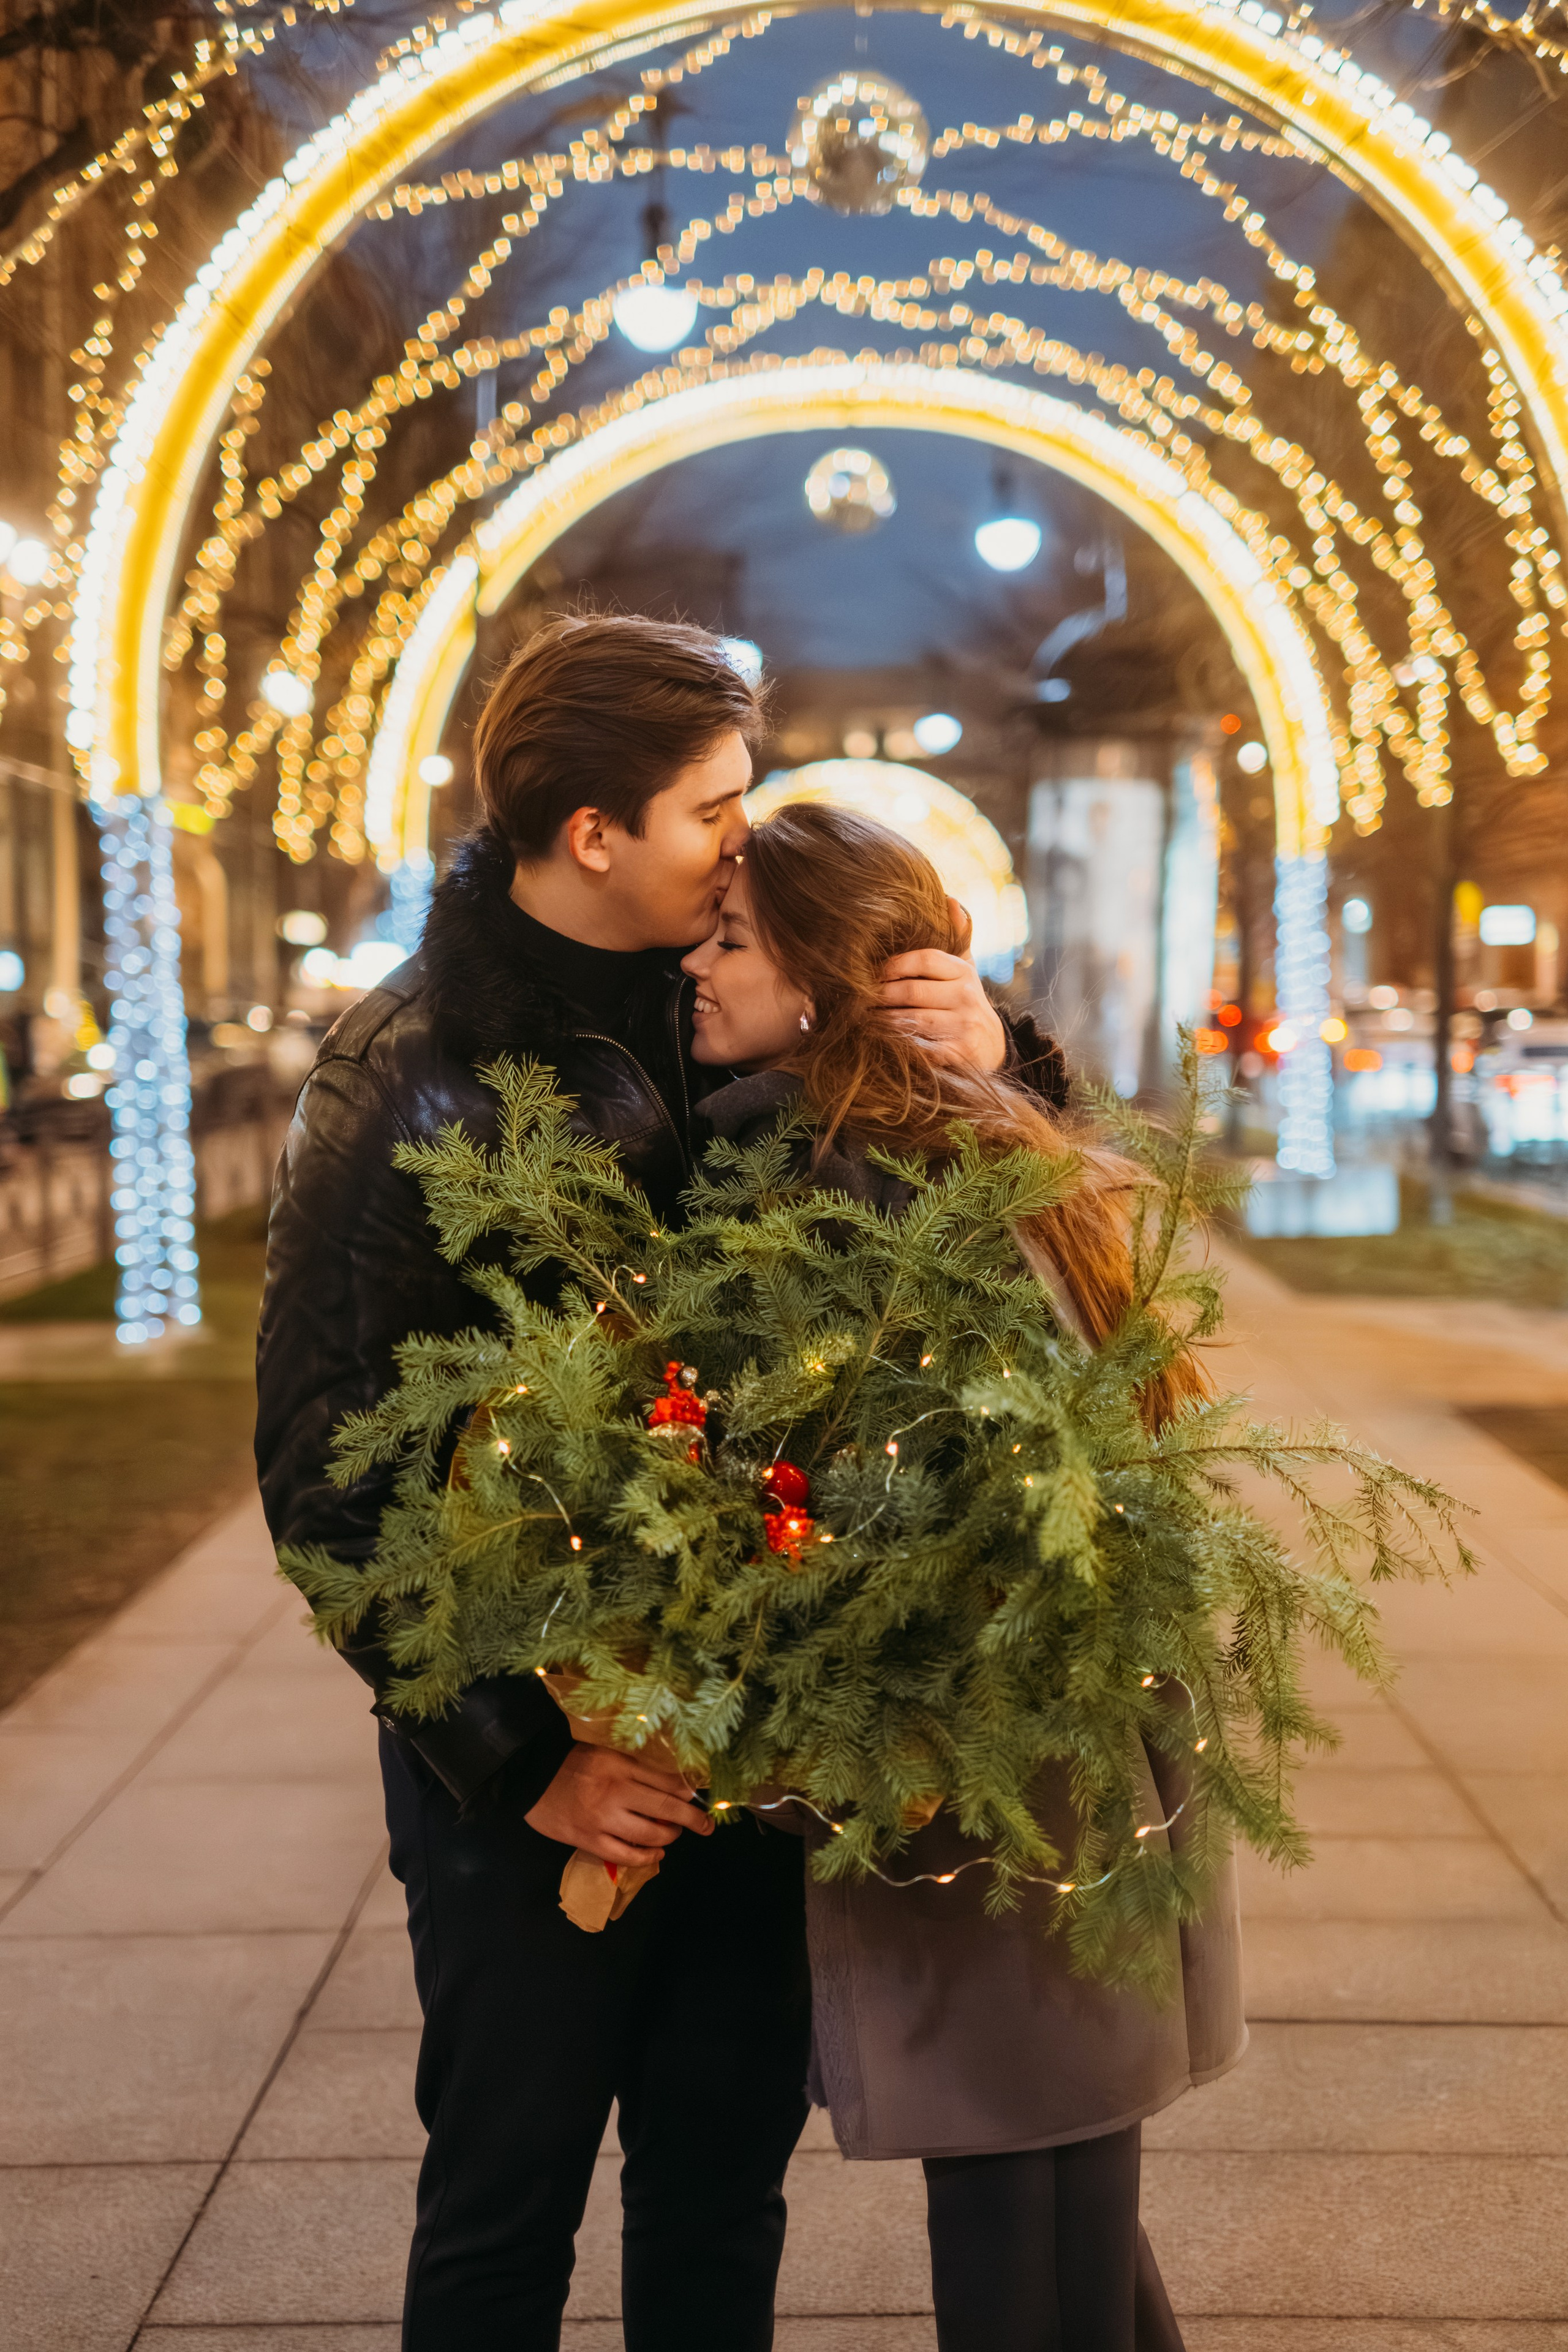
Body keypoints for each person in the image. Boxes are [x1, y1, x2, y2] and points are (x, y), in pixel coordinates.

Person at [255, 614, 1069, 2352]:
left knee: (720, 2191)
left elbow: (975, 1273)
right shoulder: (404, 1078)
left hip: (753, 1756)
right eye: (716, 803)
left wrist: (1000, 1066)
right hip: (539, 1778)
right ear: (595, 835)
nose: (743, 835)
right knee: (504, 2199)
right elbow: (322, 1476)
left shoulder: (755, 991)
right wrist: (526, 1761)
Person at [680, 799, 1248, 2352]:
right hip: (1067, 1723)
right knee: (1067, 2157)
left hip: (950, 1737)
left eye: (730, 939)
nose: (693, 961)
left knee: (1018, 2186)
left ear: (820, 981)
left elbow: (799, 1476)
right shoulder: (996, 1143)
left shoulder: (794, 1172)